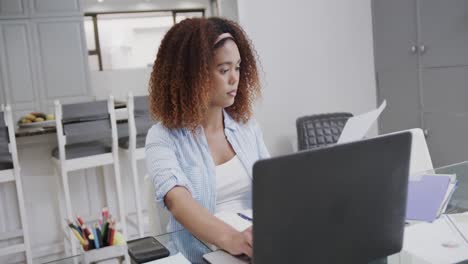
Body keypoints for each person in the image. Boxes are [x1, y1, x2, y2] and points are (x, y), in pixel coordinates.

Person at [145, 17, 269, 263]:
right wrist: (234, 239)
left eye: (237, 67)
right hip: (202, 257)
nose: (235, 78)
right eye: (224, 70)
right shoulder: (163, 137)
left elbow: (273, 187)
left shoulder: (247, 127)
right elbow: (178, 203)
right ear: (192, 76)